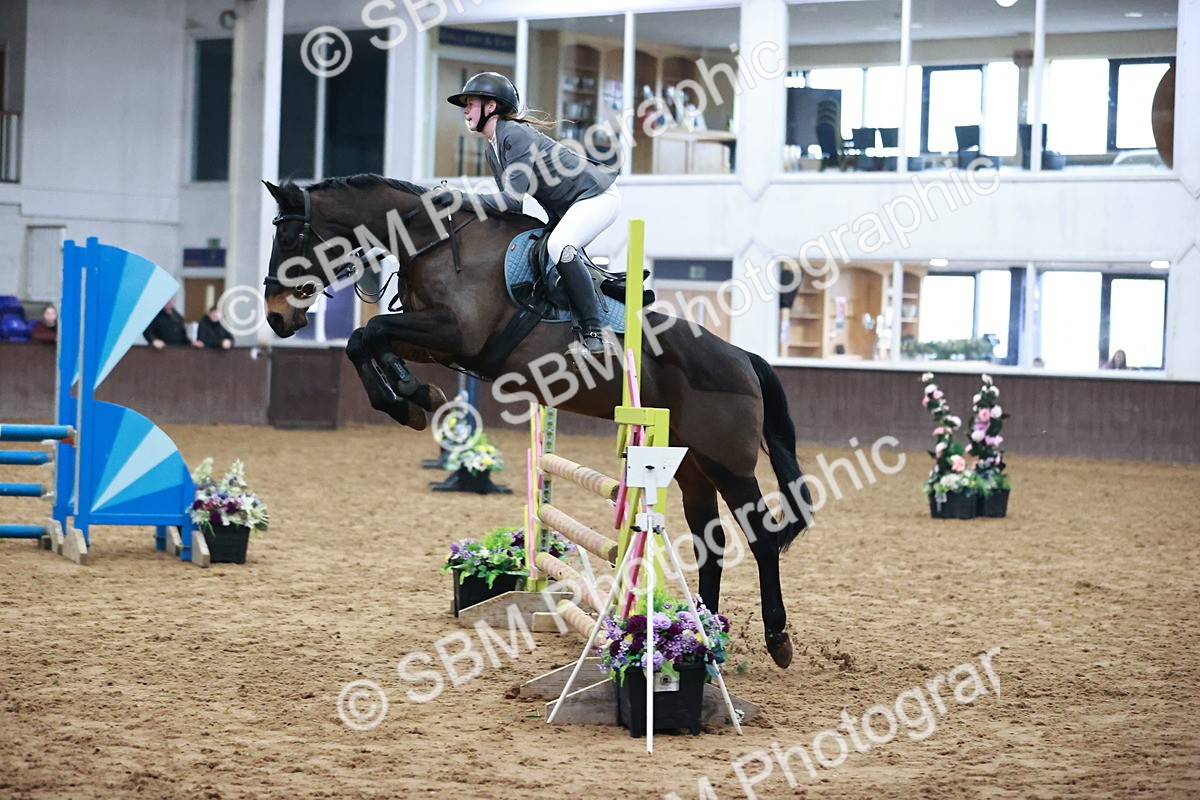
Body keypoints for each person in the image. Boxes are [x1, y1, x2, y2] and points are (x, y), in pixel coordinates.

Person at [436, 72, 620, 357]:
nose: (465, 110)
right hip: (568, 207)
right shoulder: (493, 149)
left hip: (596, 197)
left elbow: (510, 200)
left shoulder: (514, 134)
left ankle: (594, 332)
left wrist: (460, 199)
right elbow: (511, 210)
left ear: (491, 107)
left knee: (560, 246)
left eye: (470, 103)